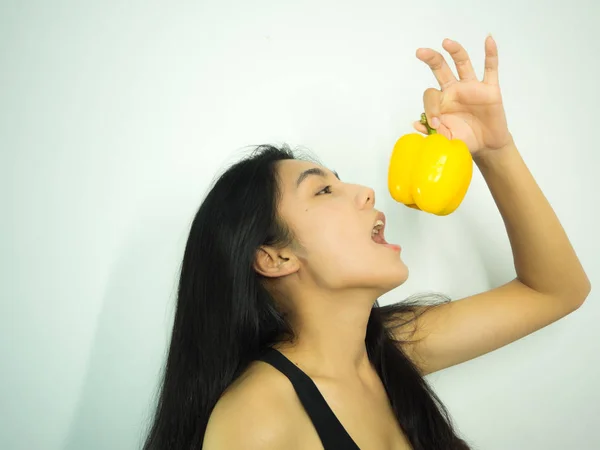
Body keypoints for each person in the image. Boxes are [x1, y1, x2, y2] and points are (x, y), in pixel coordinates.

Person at [141, 36, 590, 450]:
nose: (365, 192)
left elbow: (557, 290)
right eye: (323, 190)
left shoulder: (387, 349)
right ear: (273, 256)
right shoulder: (257, 420)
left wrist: (495, 150)